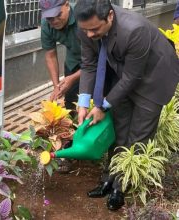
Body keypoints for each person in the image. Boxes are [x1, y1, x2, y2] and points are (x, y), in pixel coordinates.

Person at [74, 0, 179, 211]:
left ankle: (121, 188)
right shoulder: (86, 27)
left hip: (154, 77)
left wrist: (102, 106)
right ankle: (109, 179)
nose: (90, 35)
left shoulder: (134, 29)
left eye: (95, 29)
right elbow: (89, 64)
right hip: (124, 74)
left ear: (110, 16)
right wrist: (84, 102)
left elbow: (132, 77)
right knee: (119, 129)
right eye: (86, 30)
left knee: (138, 135)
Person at [40, 0, 82, 173]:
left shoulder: (82, 17)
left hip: (98, 58)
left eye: (58, 15)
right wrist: (57, 85)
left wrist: (72, 79)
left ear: (67, 5)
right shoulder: (46, 24)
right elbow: (50, 55)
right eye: (50, 18)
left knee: (96, 103)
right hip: (74, 62)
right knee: (72, 105)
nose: (54, 21)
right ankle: (72, 150)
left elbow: (95, 60)